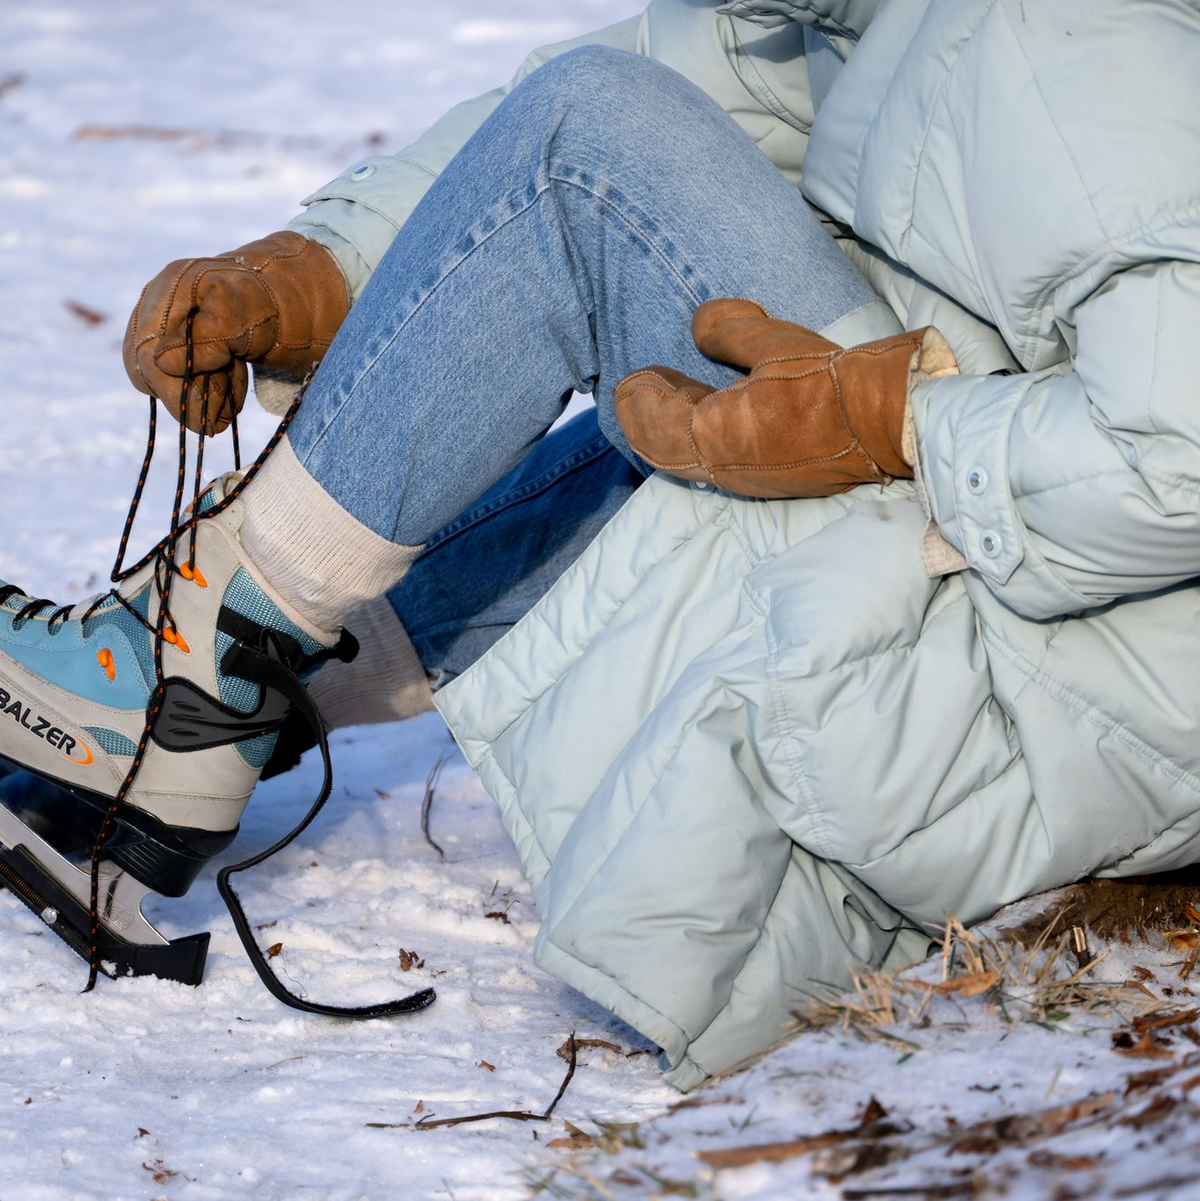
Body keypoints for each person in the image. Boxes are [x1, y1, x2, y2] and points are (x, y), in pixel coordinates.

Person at [2, 0, 1199, 1091]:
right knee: (632, 222)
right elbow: (684, 78)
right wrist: (326, 271)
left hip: (1011, 725)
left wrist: (888, 419)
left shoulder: (1076, 42)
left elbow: (1180, 449)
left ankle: (182, 697)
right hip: (997, 652)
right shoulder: (902, 24)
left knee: (599, 153)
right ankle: (230, 688)